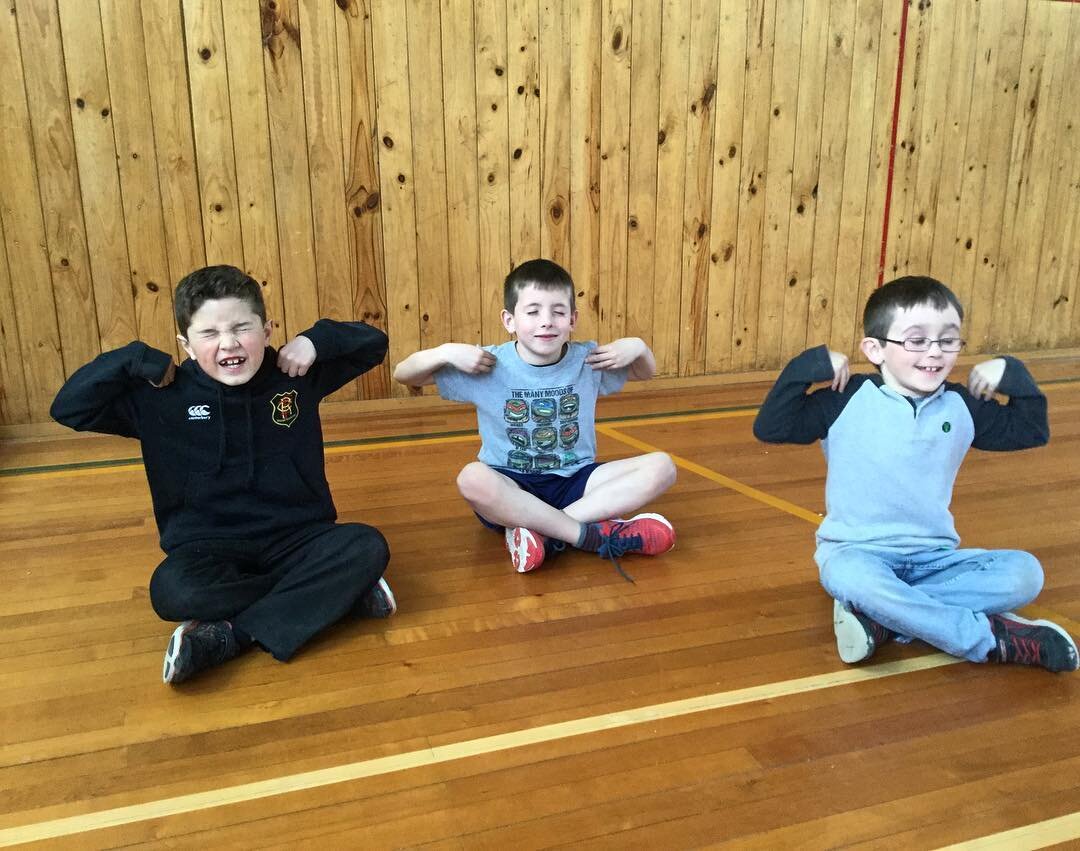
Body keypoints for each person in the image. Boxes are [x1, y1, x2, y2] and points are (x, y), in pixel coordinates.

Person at [51, 265, 395, 684]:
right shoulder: (162, 396)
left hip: (299, 538)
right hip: (209, 551)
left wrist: (314, 341)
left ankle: (232, 635)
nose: (229, 343)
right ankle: (334, 596)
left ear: (267, 330)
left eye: (242, 327)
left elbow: (373, 345)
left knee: (366, 545)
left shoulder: (294, 376)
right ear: (186, 344)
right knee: (172, 591)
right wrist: (136, 359)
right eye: (209, 334)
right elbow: (68, 407)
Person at [753, 275, 1077, 673]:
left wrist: (1012, 374)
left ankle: (885, 618)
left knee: (1025, 574)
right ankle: (988, 640)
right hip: (858, 555)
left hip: (935, 559)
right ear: (875, 349)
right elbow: (771, 427)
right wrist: (811, 366)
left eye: (948, 339)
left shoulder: (962, 407)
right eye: (916, 340)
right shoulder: (845, 400)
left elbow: (1031, 429)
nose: (934, 352)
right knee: (849, 576)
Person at [393, 258, 677, 579]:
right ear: (509, 320)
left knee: (662, 467)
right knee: (471, 478)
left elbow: (644, 372)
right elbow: (405, 374)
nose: (547, 321)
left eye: (558, 312)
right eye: (532, 312)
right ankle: (589, 535)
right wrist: (444, 351)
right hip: (511, 483)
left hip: (577, 480)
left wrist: (637, 347)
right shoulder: (487, 363)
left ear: (572, 319)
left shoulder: (588, 360)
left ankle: (541, 534)